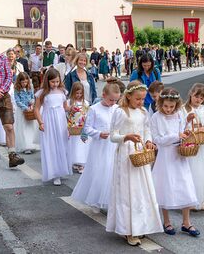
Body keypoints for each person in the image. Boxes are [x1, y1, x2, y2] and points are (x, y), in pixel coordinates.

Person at [106, 81, 163, 246]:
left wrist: (149, 142)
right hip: (126, 154)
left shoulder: (144, 111)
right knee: (128, 192)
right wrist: (126, 137)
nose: (140, 102)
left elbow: (147, 131)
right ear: (128, 96)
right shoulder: (121, 112)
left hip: (140, 154)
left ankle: (140, 225)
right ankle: (128, 230)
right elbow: (113, 135)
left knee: (141, 191)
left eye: (143, 99)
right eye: (138, 99)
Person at [151, 87, 200, 237]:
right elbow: (157, 139)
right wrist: (175, 136)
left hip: (179, 155)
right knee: (165, 186)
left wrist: (187, 124)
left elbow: (183, 131)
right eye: (165, 106)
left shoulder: (179, 115)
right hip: (165, 156)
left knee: (184, 185)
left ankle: (186, 222)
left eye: (171, 106)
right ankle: (166, 221)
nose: (168, 109)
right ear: (160, 103)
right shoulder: (156, 118)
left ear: (177, 105)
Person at [72, 83, 120, 212]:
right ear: (103, 95)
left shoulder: (117, 108)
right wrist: (98, 134)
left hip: (114, 144)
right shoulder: (94, 109)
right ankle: (95, 200)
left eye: (116, 100)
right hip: (99, 145)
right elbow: (87, 128)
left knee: (111, 171)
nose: (113, 102)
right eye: (111, 99)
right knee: (99, 170)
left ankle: (110, 200)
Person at [0, 33, 25, 168]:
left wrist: (1, 91)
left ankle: (12, 155)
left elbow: (9, 76)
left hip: (4, 97)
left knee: (9, 126)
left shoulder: (2, 58)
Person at [34, 68, 72, 186]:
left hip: (61, 121)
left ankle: (61, 170)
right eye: (52, 82)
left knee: (62, 144)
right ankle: (54, 173)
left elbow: (65, 107)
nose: (55, 84)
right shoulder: (42, 93)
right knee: (51, 145)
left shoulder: (63, 92)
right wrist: (41, 122)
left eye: (57, 81)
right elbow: (36, 109)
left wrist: (75, 109)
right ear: (47, 81)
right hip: (48, 120)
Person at [66, 82, 89, 174]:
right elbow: (66, 114)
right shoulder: (69, 102)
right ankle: (74, 161)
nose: (79, 95)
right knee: (73, 145)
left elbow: (87, 114)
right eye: (77, 93)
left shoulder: (85, 103)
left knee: (81, 145)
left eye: (80, 93)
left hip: (82, 126)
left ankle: (81, 163)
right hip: (73, 127)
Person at [14, 72, 38, 154]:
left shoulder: (30, 87)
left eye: (26, 82)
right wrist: (25, 108)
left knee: (30, 127)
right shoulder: (17, 89)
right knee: (23, 127)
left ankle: (31, 144)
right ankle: (25, 146)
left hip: (30, 110)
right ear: (19, 82)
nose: (25, 83)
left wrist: (32, 103)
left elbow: (32, 97)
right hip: (21, 111)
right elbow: (17, 101)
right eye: (23, 82)